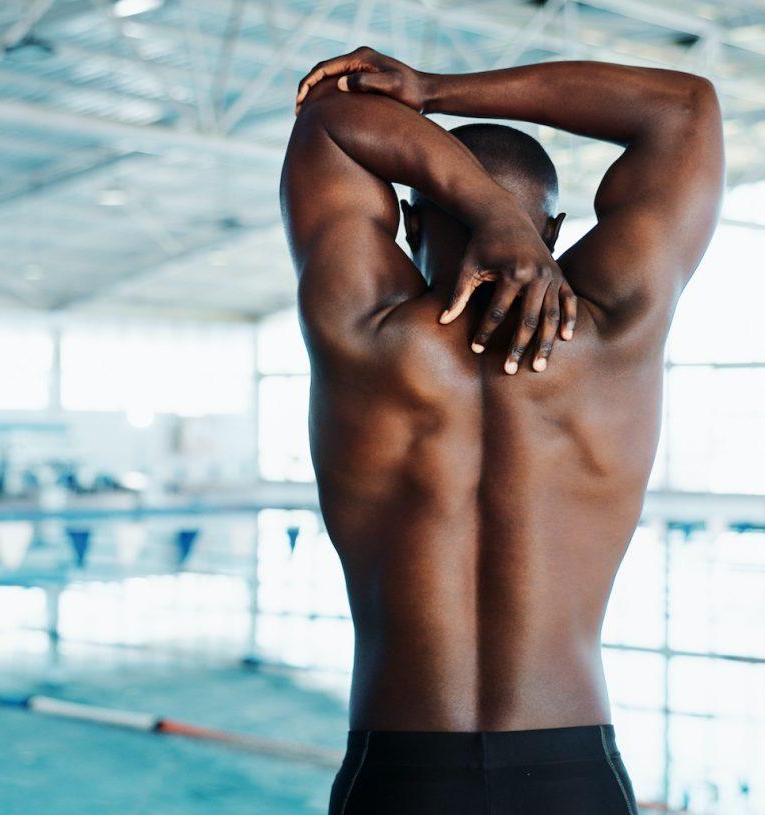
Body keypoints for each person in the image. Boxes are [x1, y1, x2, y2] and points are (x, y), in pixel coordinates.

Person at [282, 52, 723, 815]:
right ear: (550, 228)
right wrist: (439, 91)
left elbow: (329, 119)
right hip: (569, 770)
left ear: (412, 218)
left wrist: (477, 206)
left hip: (400, 773)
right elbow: (685, 108)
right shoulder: (616, 332)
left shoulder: (361, 333)